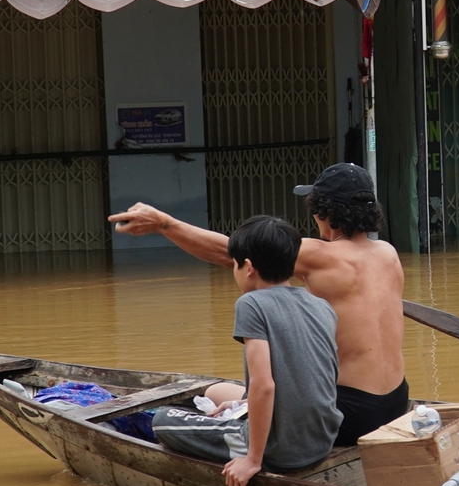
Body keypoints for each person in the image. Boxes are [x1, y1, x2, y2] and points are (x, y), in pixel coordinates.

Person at [108, 163, 409, 444]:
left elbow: (234, 254)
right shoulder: (387, 254)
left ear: (322, 211)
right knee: (229, 393)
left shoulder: (318, 255)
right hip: (395, 404)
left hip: (349, 417)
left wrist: (164, 223)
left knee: (214, 391)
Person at [153, 215, 341, 486]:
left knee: (162, 420)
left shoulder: (251, 304)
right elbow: (320, 376)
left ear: (248, 267)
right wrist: (242, 406)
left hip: (280, 451)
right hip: (322, 440)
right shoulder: (321, 305)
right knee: (221, 397)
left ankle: (249, 446)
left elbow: (264, 385)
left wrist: (253, 460)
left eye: (235, 264)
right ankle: (243, 419)